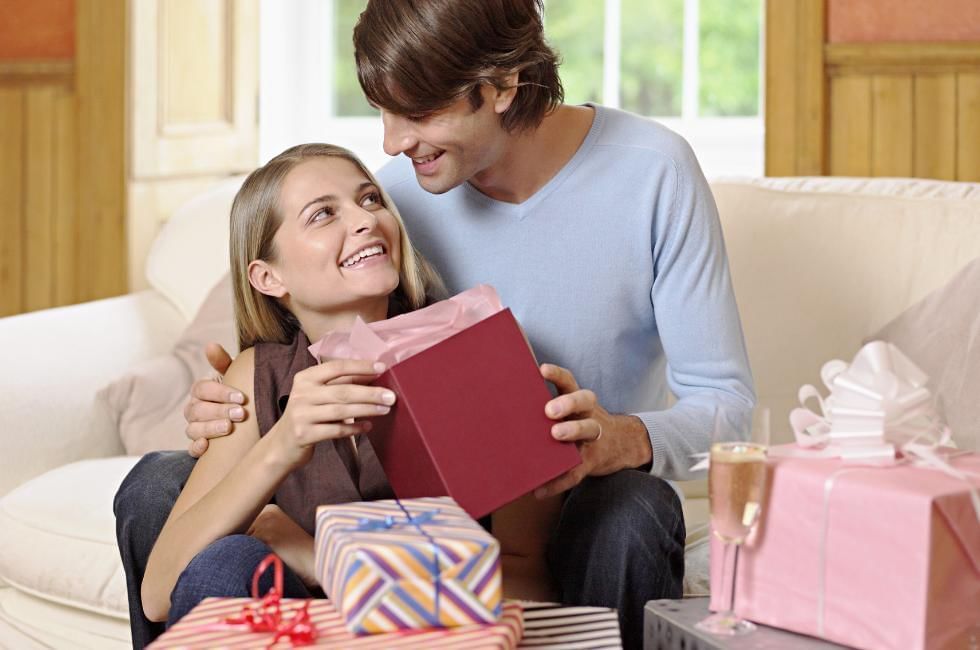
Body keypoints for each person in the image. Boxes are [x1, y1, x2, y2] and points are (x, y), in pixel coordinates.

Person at [116, 1, 755, 647]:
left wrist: (617, 439)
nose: (392, 143)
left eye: (419, 112)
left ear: (503, 85)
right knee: (156, 486)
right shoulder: (395, 195)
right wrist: (235, 413)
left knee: (633, 507)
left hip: (552, 502)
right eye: (383, 113)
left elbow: (728, 410)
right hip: (382, 508)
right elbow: (278, 308)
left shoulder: (653, 171)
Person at [137, 143, 563, 627]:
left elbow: (535, 590)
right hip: (302, 633)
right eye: (322, 215)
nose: (365, 221)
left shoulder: (478, 356)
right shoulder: (256, 375)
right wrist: (283, 443)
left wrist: (323, 559)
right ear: (268, 277)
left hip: (436, 635)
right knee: (220, 558)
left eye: (369, 200)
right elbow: (158, 595)